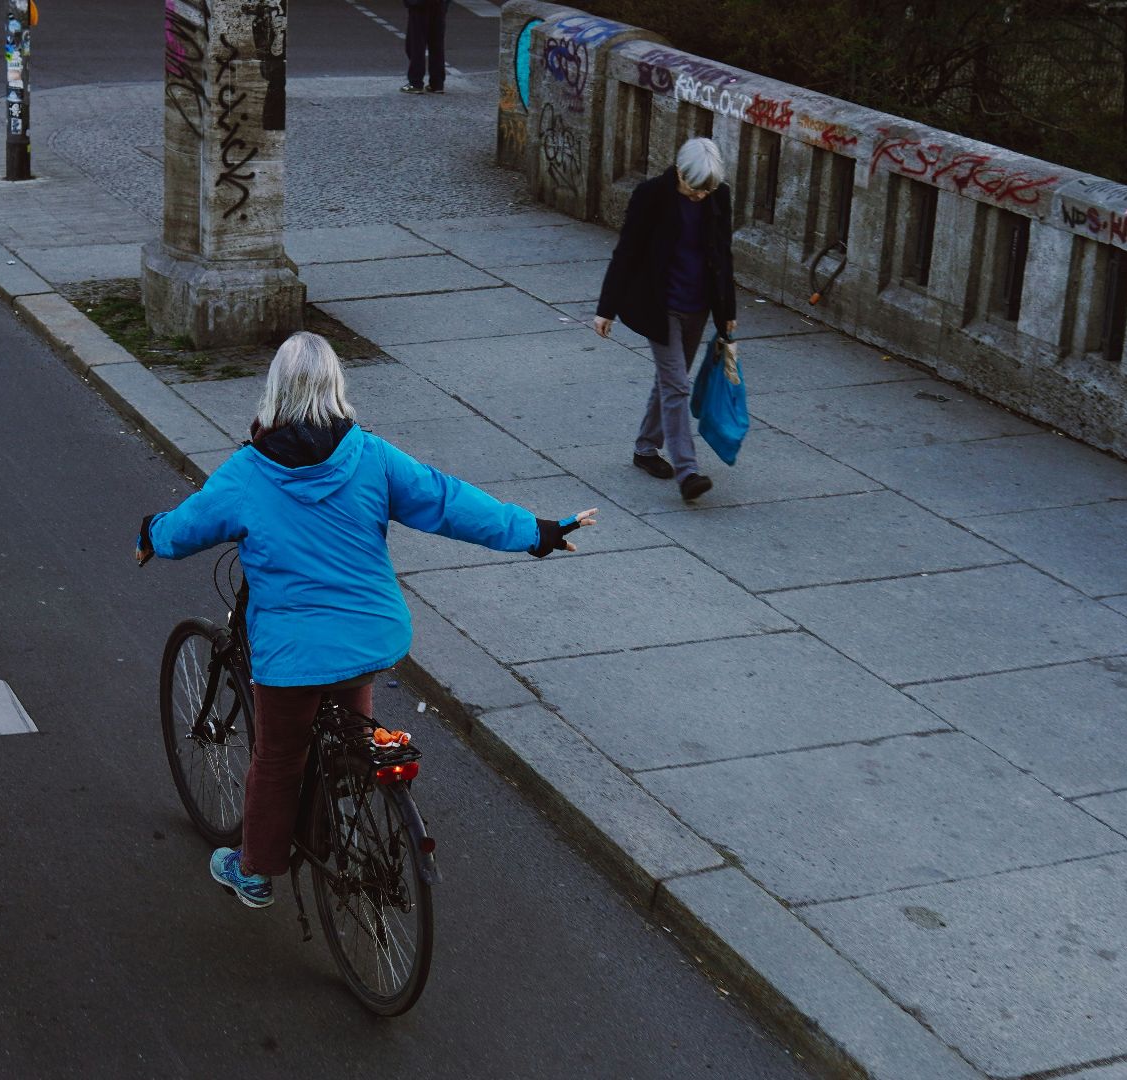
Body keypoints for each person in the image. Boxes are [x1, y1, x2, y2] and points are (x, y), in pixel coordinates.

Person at [137, 332, 596, 908]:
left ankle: (253, 872)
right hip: (371, 637)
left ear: (275, 390)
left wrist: (150, 534)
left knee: (278, 758)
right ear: (336, 387)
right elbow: (450, 502)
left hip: (294, 654)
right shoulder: (371, 457)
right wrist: (537, 532)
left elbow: (184, 530)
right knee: (353, 737)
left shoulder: (246, 475)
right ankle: (344, 817)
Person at [593, 137, 739, 502]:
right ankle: (688, 472)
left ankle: (645, 448)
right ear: (678, 172)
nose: (699, 198)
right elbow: (627, 251)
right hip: (659, 305)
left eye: (706, 191)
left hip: (698, 305)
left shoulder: (718, 197)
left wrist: (728, 313)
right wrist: (605, 308)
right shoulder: (650, 196)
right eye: (693, 190)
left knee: (670, 380)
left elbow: (723, 256)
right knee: (677, 385)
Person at [400, 0, 452, 95]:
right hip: (439, 6)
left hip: (419, 6)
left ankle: (416, 83)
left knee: (416, 45)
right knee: (437, 45)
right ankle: (437, 83)